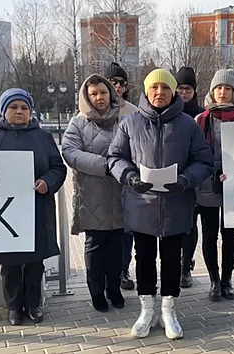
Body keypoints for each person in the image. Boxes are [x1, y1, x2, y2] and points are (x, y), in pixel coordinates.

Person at [108, 68, 213, 339]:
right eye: (154, 88)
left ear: (173, 91)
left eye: (165, 88)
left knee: (171, 259)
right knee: (143, 257)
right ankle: (146, 310)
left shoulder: (188, 124)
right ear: (146, 91)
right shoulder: (130, 123)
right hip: (141, 202)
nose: (159, 93)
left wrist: (185, 180)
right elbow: (115, 157)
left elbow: (204, 161)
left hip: (176, 203)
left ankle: (168, 309)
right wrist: (129, 177)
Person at [0, 88, 67, 326]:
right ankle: (14, 306)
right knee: (10, 263)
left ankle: (34, 303)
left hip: (36, 207)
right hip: (5, 211)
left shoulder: (43, 138)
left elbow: (58, 167)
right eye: (13, 107)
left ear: (30, 111)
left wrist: (47, 182)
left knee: (35, 261)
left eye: (24, 108)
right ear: (4, 110)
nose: (19, 112)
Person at [62, 74, 125, 312]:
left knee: (118, 248)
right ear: (87, 97)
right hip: (92, 196)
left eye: (103, 92)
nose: (99, 97)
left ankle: (115, 288)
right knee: (96, 247)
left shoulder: (124, 121)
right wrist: (106, 165)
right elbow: (70, 152)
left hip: (120, 195)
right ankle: (97, 292)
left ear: (111, 94)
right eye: (94, 94)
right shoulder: (78, 123)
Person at [195, 69, 234, 302]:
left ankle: (227, 279)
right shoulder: (201, 119)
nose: (222, 93)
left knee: (230, 233)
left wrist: (233, 170)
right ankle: (214, 280)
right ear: (212, 91)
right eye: (218, 88)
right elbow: (195, 153)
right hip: (206, 183)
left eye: (227, 89)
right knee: (209, 233)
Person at [107, 62, 138, 291]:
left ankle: (123, 270)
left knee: (127, 230)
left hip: (128, 178)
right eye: (112, 82)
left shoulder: (133, 111)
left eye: (120, 83)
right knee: (105, 233)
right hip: (102, 179)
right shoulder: (92, 108)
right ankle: (106, 274)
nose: (116, 86)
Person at [174, 66, 205, 288]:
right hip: (174, 178)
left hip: (196, 178)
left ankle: (186, 266)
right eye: (180, 88)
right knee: (180, 225)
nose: (184, 92)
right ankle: (177, 265)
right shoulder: (170, 112)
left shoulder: (202, 115)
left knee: (192, 226)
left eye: (188, 88)